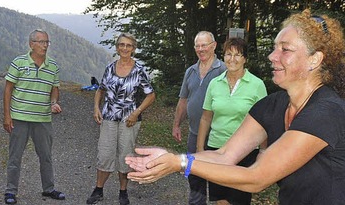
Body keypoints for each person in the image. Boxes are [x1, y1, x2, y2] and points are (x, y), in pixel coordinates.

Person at [127, 9, 345, 204]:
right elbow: (224, 155)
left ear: (314, 60)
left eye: (285, 49)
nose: (272, 56)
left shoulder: (326, 111)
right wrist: (170, 157)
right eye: (274, 48)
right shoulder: (273, 105)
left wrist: (181, 163)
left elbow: (257, 177)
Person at [195, 37, 267, 205]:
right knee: (220, 200)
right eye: (228, 54)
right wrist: (200, 149)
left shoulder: (257, 85)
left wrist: (263, 152)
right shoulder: (214, 83)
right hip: (216, 149)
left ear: (245, 59)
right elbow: (206, 118)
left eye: (237, 55)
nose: (232, 59)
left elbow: (264, 122)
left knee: (238, 200)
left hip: (245, 150)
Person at [86, 33, 156, 205]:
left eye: (129, 45)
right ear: (117, 47)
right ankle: (98, 189)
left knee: (125, 156)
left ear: (133, 49)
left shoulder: (139, 70)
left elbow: (151, 95)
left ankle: (123, 192)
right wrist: (96, 107)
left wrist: (136, 112)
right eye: (122, 45)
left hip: (129, 120)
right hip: (109, 117)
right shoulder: (110, 67)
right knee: (104, 154)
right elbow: (100, 89)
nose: (125, 48)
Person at [3, 29, 65, 204]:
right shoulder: (18, 62)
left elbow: (55, 89)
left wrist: (54, 103)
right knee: (15, 156)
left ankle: (49, 189)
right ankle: (10, 192)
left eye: (47, 42)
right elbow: (8, 89)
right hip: (19, 117)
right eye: (41, 42)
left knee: (46, 156)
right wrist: (7, 116)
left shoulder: (53, 66)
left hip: (43, 119)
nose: (45, 45)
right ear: (31, 44)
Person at [171, 31, 227, 205]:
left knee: (220, 177)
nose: (201, 49)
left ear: (214, 46)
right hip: (194, 133)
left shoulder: (224, 70)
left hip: (219, 135)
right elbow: (183, 100)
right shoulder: (191, 71)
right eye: (198, 46)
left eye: (204, 45)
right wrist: (176, 124)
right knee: (194, 174)